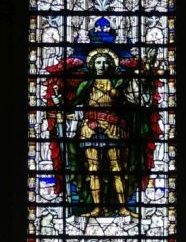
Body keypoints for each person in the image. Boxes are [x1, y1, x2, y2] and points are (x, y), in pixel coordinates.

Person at [48, 45, 157, 217]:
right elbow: (76, 106)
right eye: (98, 62)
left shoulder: (119, 83)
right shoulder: (86, 85)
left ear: (111, 65)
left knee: (117, 168)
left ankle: (123, 207)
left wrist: (145, 77)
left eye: (105, 63)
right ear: (93, 65)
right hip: (89, 128)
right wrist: (61, 104)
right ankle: (96, 208)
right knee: (93, 168)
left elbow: (136, 98)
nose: (102, 66)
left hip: (114, 127)